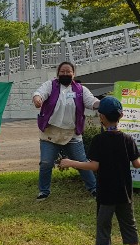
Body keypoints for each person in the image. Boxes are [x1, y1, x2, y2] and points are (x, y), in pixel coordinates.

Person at [59, 97, 140, 245]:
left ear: (101, 117)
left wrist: (71, 162)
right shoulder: (127, 139)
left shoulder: (98, 140)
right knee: (130, 227)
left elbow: (94, 166)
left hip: (106, 195)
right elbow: (137, 163)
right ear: (121, 115)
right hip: (124, 194)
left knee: (103, 230)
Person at [32, 61, 100, 200]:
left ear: (73, 74)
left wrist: (102, 103)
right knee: (46, 163)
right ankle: (44, 191)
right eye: (62, 71)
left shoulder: (81, 90)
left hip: (72, 134)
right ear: (58, 73)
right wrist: (37, 99)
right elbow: (39, 93)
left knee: (82, 161)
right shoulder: (50, 85)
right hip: (50, 133)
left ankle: (94, 189)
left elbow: (91, 102)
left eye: (68, 71)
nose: (65, 74)